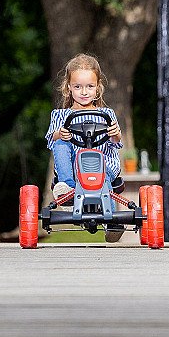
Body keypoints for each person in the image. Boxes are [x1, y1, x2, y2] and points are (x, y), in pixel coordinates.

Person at [45, 53, 124, 242]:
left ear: (98, 88)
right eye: (78, 87)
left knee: (104, 175)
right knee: (60, 142)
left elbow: (117, 141)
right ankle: (68, 190)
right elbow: (50, 139)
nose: (84, 92)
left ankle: (111, 221)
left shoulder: (106, 113)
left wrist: (115, 133)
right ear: (68, 88)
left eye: (90, 86)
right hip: (73, 168)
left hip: (102, 164)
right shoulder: (60, 115)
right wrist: (59, 133)